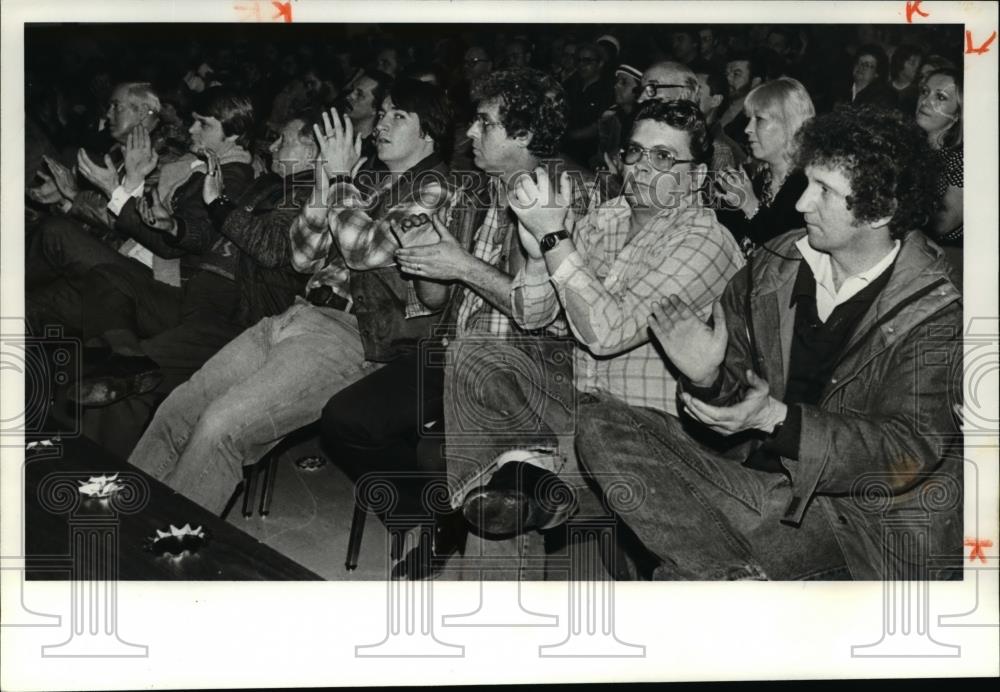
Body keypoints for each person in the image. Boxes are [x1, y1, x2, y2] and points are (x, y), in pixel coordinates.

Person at [576, 105, 962, 581]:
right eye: (807, 183)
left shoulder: (935, 309)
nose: (802, 204)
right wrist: (707, 378)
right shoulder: (774, 265)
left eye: (825, 192)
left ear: (880, 211)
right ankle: (734, 574)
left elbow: (908, 448)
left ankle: (718, 574)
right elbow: (736, 399)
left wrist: (775, 418)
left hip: (854, 517)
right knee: (599, 423)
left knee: (683, 574)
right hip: (752, 486)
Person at [128, 79, 459, 515]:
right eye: (382, 113)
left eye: (399, 116)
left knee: (219, 428)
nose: (381, 123)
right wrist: (327, 188)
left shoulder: (436, 190)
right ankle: (124, 516)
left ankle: (167, 548)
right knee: (179, 409)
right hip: (295, 316)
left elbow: (364, 253)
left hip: (348, 338)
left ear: (429, 132)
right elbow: (304, 258)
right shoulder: (369, 181)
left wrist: (340, 180)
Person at [324, 68, 594, 579]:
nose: (469, 132)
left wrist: (459, 265)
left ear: (525, 135)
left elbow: (536, 310)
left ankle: (475, 515)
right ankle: (444, 512)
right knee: (346, 420)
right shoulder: (484, 189)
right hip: (454, 348)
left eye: (485, 124)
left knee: (476, 457)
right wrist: (426, 262)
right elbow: (439, 295)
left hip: (522, 365)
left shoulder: (562, 194)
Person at [457, 100, 745, 554]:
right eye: (634, 151)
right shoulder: (605, 218)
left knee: (506, 482)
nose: (643, 167)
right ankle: (527, 467)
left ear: (698, 176)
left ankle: (525, 471)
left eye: (664, 157)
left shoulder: (707, 240)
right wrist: (536, 256)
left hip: (645, 434)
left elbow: (606, 335)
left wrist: (555, 238)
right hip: (574, 404)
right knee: (474, 351)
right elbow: (532, 314)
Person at [715, 77, 814, 253]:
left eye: (759, 119)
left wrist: (750, 205)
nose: (748, 129)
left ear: (789, 125)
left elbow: (786, 253)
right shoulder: (758, 178)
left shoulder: (808, 185)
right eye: (749, 119)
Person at [915, 68, 963, 275]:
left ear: (957, 114)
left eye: (940, 97)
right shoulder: (914, 147)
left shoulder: (962, 158)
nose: (926, 101)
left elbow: (943, 223)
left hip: (946, 261)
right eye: (925, 92)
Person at [562, 42, 613, 165]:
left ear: (600, 64)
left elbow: (599, 126)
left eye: (587, 61)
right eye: (578, 60)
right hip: (566, 149)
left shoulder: (607, 91)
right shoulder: (571, 85)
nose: (581, 65)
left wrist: (568, 136)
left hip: (589, 154)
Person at [840, 44, 897, 110]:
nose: (861, 67)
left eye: (867, 65)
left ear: (877, 73)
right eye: (859, 62)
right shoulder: (841, 90)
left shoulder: (884, 97)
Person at [889, 44, 923, 116]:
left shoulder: (918, 94)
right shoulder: (883, 88)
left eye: (919, 64)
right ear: (900, 62)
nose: (917, 67)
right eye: (912, 63)